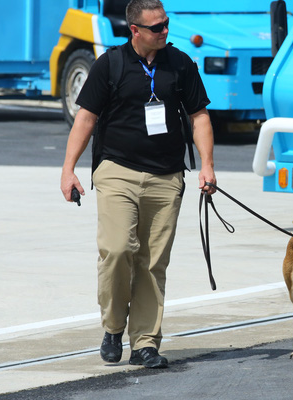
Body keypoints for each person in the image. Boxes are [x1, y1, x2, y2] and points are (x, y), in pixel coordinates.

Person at [60, 0, 216, 369]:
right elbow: (85, 119)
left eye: (166, 24)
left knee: (152, 263)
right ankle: (113, 327)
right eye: (156, 27)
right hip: (117, 170)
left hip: (166, 176)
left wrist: (207, 166)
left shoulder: (180, 64)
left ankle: (145, 342)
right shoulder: (110, 64)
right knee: (116, 251)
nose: (164, 31)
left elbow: (199, 116)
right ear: (134, 30)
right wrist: (68, 170)